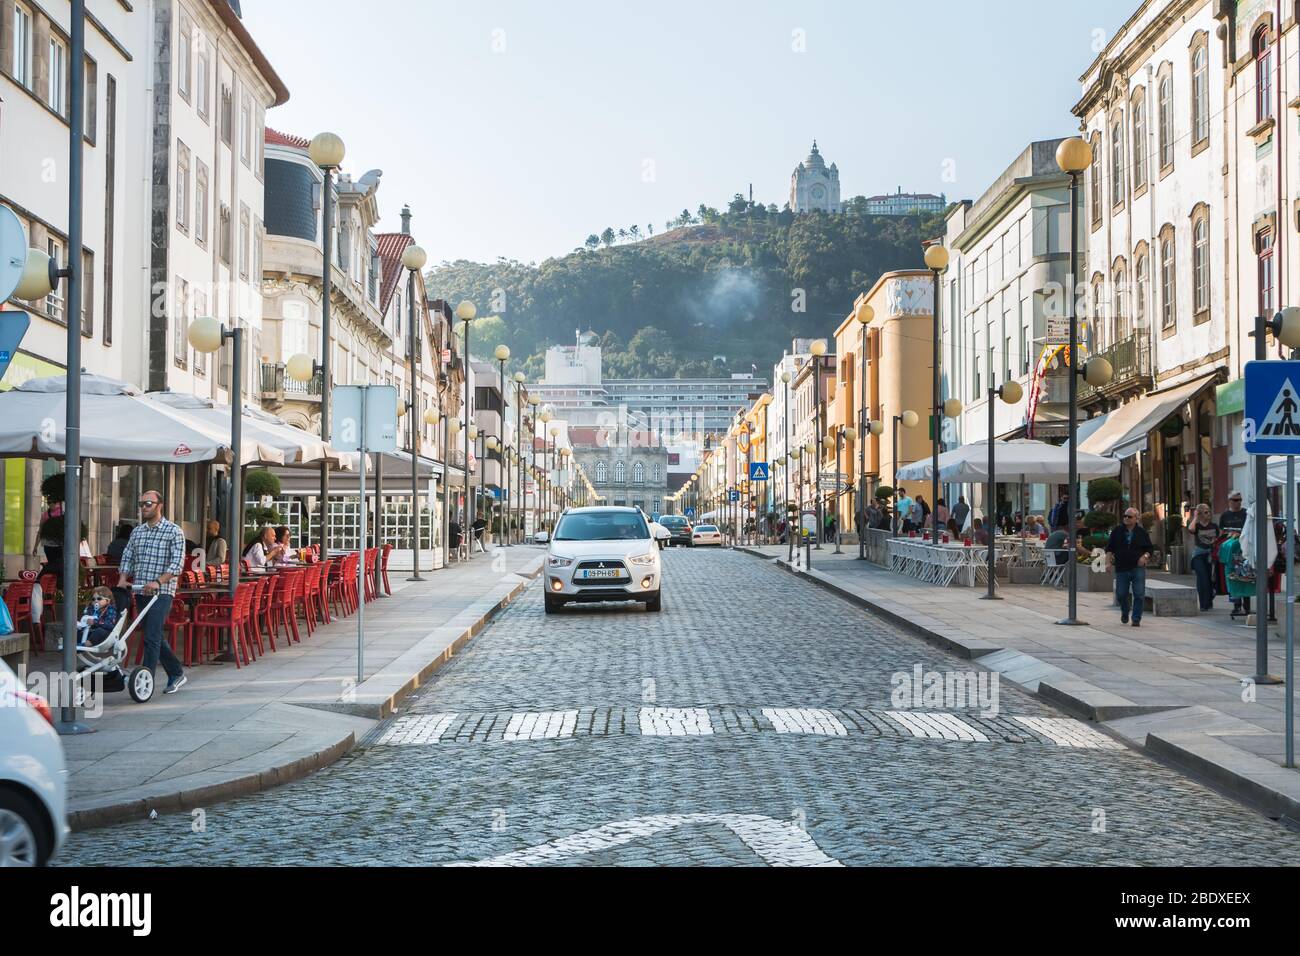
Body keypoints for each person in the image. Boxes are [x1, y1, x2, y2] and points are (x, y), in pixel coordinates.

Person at [119, 490, 186, 694]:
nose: (144, 507)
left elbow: (177, 564)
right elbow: (127, 557)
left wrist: (158, 582)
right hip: (140, 590)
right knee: (153, 635)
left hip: (162, 592)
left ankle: (145, 682)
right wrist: (123, 579)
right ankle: (176, 672)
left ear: (160, 505)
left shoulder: (174, 531)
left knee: (152, 636)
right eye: (141, 504)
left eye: (148, 503)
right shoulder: (137, 532)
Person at [1106, 507, 1153, 627]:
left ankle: (1136, 618)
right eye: (1125, 516)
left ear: (1136, 519)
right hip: (1121, 567)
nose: (1126, 518)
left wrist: (1145, 557)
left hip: (1137, 567)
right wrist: (1108, 563)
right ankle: (1125, 610)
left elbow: (1149, 549)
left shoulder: (1142, 532)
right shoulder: (1117, 530)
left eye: (1129, 516)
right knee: (1121, 594)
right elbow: (1110, 548)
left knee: (1139, 593)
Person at [1186, 503, 1220, 612]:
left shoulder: (1214, 526)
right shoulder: (1197, 526)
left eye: (1209, 511)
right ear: (1200, 514)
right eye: (1205, 512)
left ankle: (1209, 601)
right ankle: (1203, 604)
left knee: (1210, 579)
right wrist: (1195, 517)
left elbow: (1218, 539)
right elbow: (1190, 529)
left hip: (1210, 555)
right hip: (1198, 556)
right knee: (1202, 578)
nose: (1208, 514)